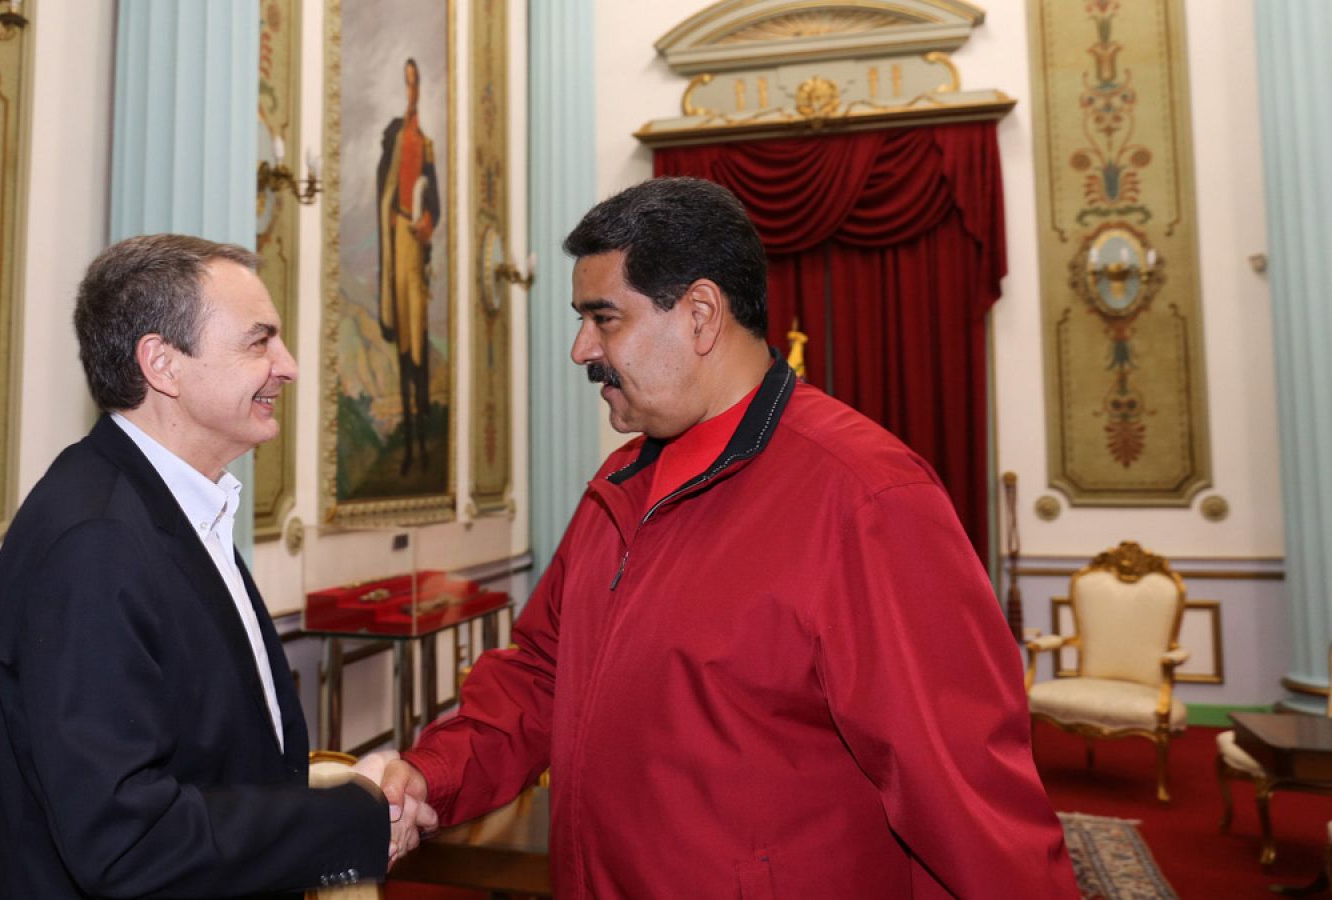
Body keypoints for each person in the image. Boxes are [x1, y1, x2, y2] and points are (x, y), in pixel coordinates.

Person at [374, 178, 1078, 897]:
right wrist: (436, 770)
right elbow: (541, 676)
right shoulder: (618, 485)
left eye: (604, 318)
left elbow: (965, 793)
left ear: (701, 315)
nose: (582, 347)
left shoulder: (868, 498)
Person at [0, 235, 421, 898]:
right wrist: (353, 816)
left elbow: (213, 756)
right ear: (163, 364)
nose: (287, 366)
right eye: (258, 341)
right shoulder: (96, 537)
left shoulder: (170, 505)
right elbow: (126, 839)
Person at [375, 57, 441, 476]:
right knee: (402, 343)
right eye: (407, 83)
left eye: (417, 83)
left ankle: (420, 438)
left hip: (415, 247)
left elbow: (434, 201)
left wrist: (426, 224)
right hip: (395, 239)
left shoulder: (426, 144)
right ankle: (410, 445)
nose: (411, 90)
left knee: (418, 342)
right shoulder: (395, 137)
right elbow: (384, 190)